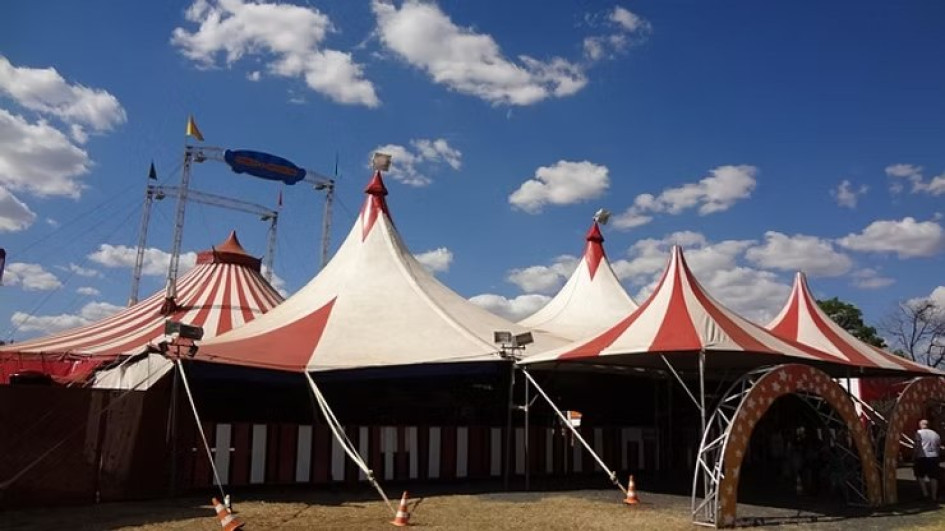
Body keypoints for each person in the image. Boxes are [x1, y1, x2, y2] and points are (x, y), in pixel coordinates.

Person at [914, 419, 942, 502]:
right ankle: (934, 496)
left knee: (920, 475)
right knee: (934, 477)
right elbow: (938, 446)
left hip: (922, 456)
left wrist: (914, 455)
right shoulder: (935, 434)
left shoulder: (919, 433)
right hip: (934, 456)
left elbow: (917, 445)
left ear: (920, 425)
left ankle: (925, 493)